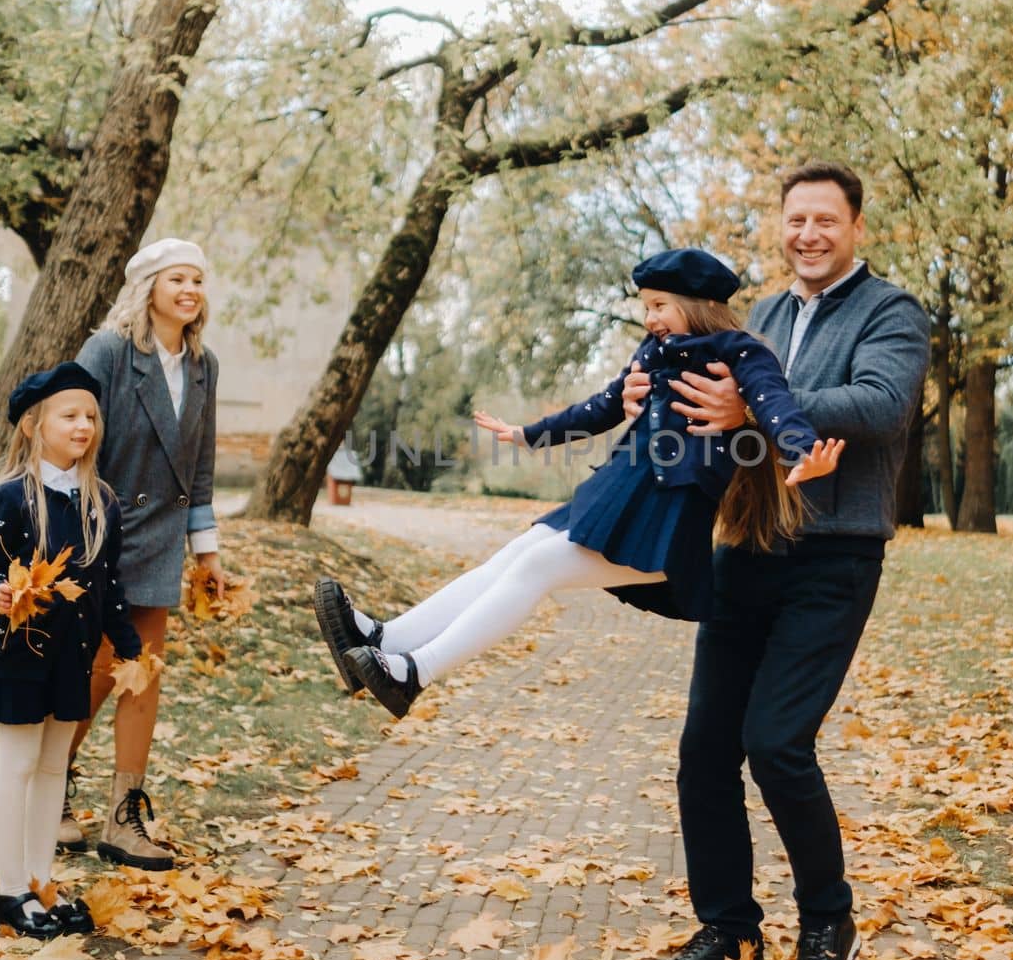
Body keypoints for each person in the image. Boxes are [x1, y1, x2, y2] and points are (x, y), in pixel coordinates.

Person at [314, 247, 844, 720]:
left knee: (535, 567)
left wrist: (802, 452)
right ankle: (386, 638)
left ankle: (414, 672)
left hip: (663, 521)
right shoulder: (651, 354)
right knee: (518, 552)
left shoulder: (738, 353)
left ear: (698, 302)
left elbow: (776, 405)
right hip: (616, 496)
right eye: (646, 306)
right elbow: (600, 407)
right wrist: (528, 434)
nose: (649, 317)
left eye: (660, 304)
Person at [629, 164, 930, 960]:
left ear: (856, 226)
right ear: (782, 225)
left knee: (777, 744)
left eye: (826, 220)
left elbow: (881, 403)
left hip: (835, 553)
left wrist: (759, 401)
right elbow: (719, 415)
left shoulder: (892, 311)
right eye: (796, 219)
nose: (809, 234)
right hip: (748, 545)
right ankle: (730, 931)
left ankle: (830, 921)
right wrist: (644, 395)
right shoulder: (761, 312)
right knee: (704, 750)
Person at [0, 363, 143, 938]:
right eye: (69, 416)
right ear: (32, 427)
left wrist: (131, 646)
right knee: (16, 764)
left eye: (91, 416)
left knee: (51, 767)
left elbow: (110, 583)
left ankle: (41, 882)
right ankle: (9, 890)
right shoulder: (12, 497)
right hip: (20, 651)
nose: (83, 425)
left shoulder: (102, 502)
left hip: (76, 656)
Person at [65, 238, 223, 870]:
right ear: (150, 288)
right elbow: (68, 426)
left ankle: (123, 816)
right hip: (98, 527)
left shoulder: (205, 364)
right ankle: (51, 785)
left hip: (161, 533)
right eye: (177, 279)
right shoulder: (107, 351)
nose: (190, 290)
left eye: (198, 281)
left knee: (142, 673)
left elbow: (202, 465)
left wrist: (206, 553)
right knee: (102, 667)